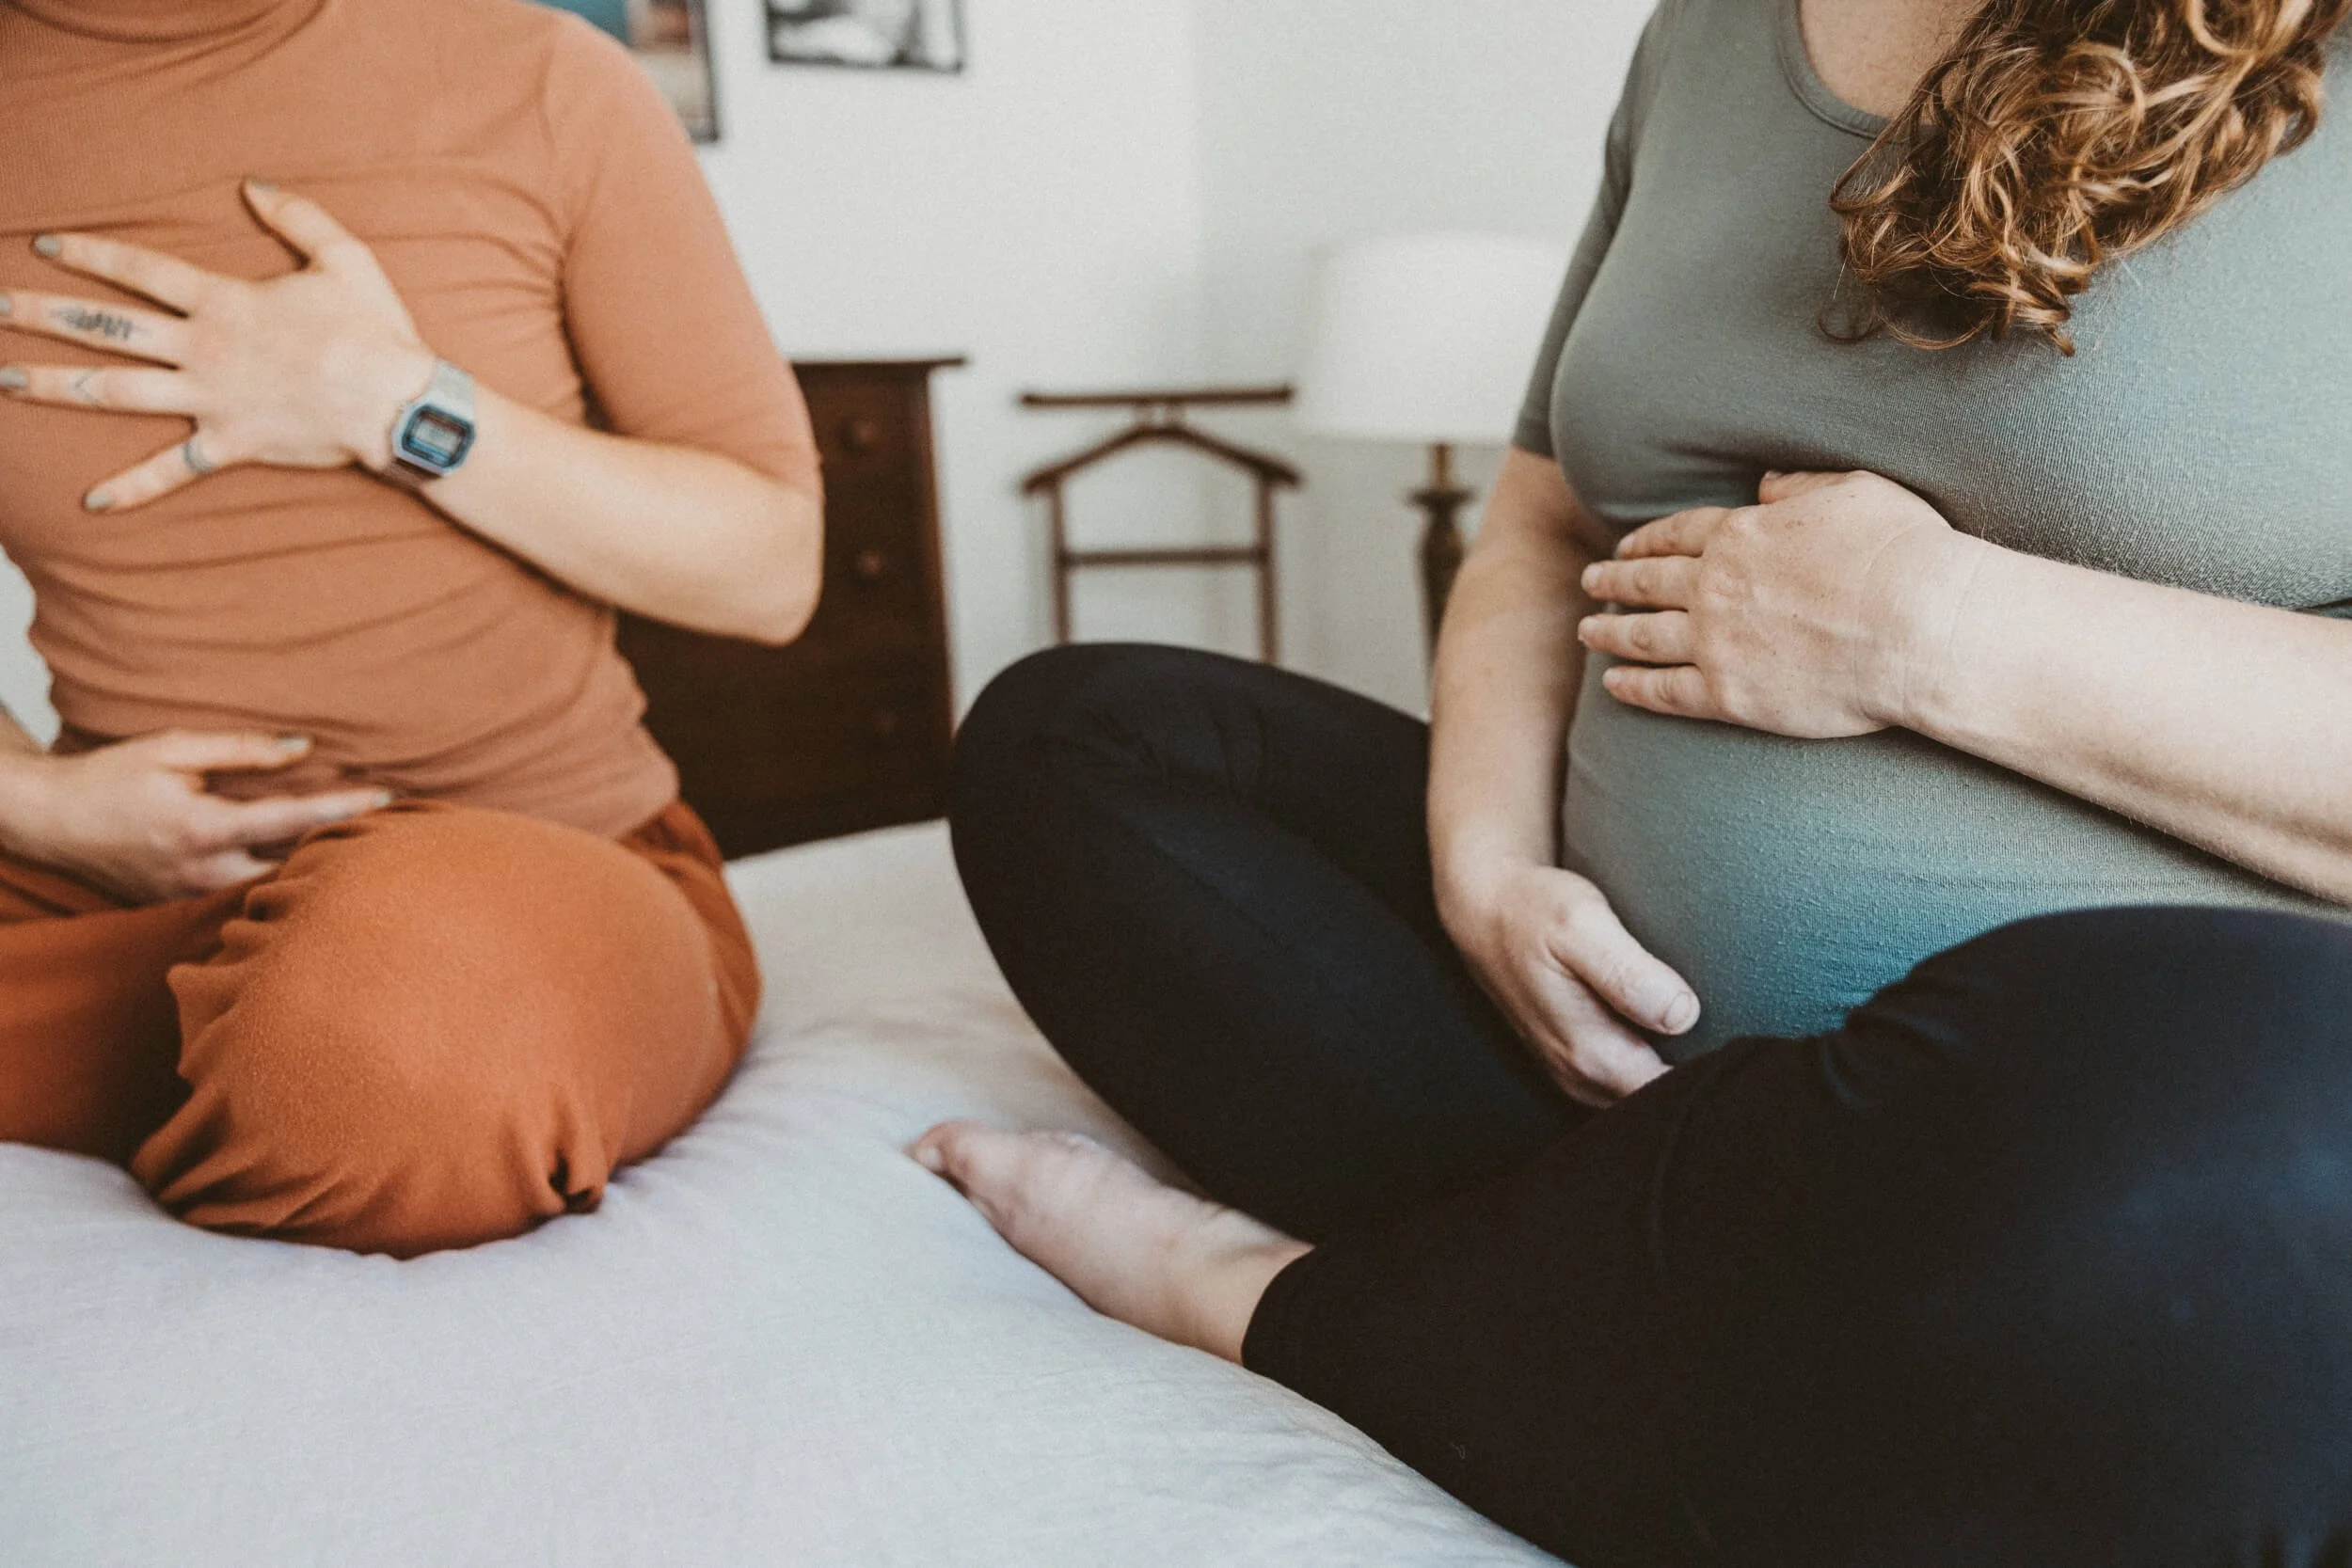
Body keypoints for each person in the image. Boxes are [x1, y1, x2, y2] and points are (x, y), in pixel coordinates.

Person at [920, 0, 2352, 1558]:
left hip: (2092, 1108)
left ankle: (1280, 1301)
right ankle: (1664, 1291)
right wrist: (1487, 873)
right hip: (1592, 1055)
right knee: (1070, 742)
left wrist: (1922, 632)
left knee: (2263, 1129)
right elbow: (1542, 519)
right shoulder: (1707, 33)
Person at [0, 0, 823, 1259]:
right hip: (109, 887)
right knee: (332, 1044)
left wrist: (389, 402)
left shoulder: (542, 79)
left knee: (385, 1027)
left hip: (535, 880)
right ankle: (252, 1067)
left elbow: (768, 569)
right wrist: (35, 806)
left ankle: (272, 1067)